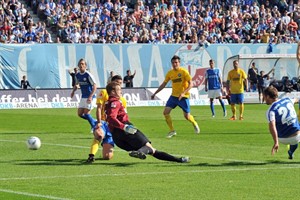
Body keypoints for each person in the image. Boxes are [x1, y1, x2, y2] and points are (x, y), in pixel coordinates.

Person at [105, 81, 189, 163]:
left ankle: (179, 160)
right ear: (113, 92)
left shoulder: (108, 103)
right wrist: (124, 126)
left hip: (116, 136)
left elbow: (108, 118)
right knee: (149, 148)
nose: (121, 92)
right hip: (126, 131)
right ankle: (141, 152)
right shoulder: (115, 102)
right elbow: (111, 118)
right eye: (119, 90)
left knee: (151, 150)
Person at [151, 55, 200, 138]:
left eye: (176, 62)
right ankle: (172, 130)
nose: (174, 64)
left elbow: (191, 84)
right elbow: (164, 84)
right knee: (165, 112)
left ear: (179, 63)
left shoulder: (184, 72)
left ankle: (194, 123)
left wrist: (184, 93)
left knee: (187, 116)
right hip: (174, 97)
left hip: (183, 97)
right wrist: (155, 93)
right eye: (173, 63)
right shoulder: (170, 73)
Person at [86, 75, 126, 163]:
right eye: (117, 83)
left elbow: (123, 116)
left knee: (107, 157)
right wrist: (99, 122)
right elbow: (99, 108)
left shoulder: (122, 99)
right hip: (103, 122)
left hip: (112, 126)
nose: (119, 85)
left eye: (120, 84)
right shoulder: (104, 92)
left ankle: (104, 144)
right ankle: (91, 156)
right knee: (99, 135)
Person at [263, 86, 300, 159]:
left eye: (264, 97)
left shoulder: (271, 111)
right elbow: (296, 99)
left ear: (267, 96)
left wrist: (276, 142)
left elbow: (272, 126)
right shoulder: (288, 100)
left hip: (282, 138)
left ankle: (291, 152)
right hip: (297, 136)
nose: (264, 99)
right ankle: (291, 150)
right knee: (295, 127)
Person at [70, 58, 97, 131]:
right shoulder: (78, 75)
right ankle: (95, 122)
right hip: (83, 97)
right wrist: (73, 92)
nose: (81, 65)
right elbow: (77, 84)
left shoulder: (88, 74)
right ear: (78, 65)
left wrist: (91, 96)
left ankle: (94, 127)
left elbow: (95, 86)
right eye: (80, 64)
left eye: (83, 64)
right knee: (80, 114)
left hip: (90, 97)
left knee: (86, 113)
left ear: (85, 66)